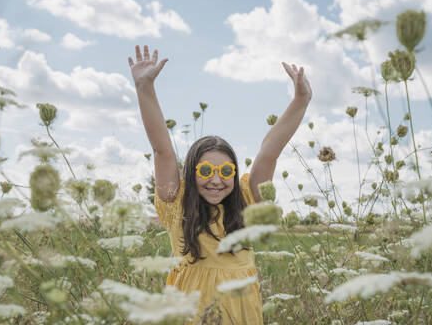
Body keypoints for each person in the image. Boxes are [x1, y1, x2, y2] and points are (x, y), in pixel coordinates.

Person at [128, 45, 311, 324]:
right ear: (190, 174)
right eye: (205, 170)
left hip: (242, 314)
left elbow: (269, 152)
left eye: (226, 170)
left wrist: (300, 100)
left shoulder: (249, 203)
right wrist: (144, 88)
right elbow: (162, 150)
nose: (216, 179)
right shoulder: (177, 206)